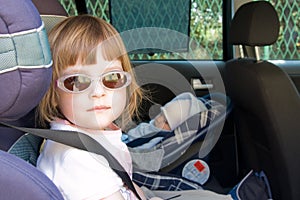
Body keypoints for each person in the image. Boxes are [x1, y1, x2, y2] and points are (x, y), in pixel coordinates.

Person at [37, 14, 233, 200]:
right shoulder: (75, 158)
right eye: (77, 81)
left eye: (111, 78)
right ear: (54, 95)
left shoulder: (93, 136)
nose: (98, 92)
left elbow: (125, 182)